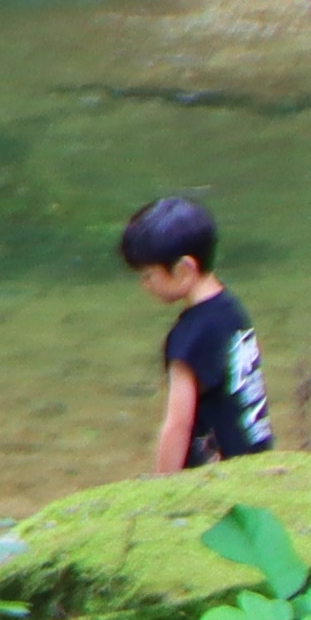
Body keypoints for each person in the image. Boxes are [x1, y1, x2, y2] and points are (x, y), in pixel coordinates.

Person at [119, 193, 272, 469]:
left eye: (148, 275)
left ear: (184, 270)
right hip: (256, 464)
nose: (145, 285)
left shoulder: (189, 337)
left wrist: (162, 489)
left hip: (220, 476)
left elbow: (178, 424)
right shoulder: (232, 311)